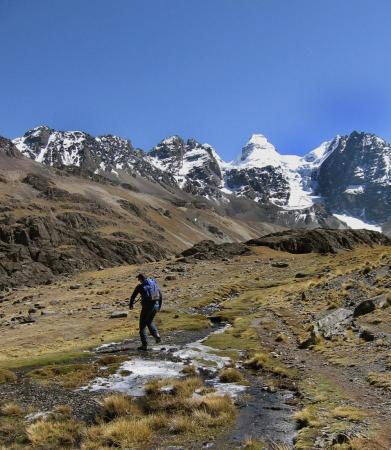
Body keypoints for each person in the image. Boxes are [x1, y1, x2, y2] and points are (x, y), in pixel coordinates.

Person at [129, 273, 162, 351]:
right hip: (156, 306)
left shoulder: (140, 287)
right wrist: (159, 306)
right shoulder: (154, 283)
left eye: (139, 279)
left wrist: (131, 304)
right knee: (149, 322)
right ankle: (156, 335)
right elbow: (160, 295)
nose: (138, 280)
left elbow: (133, 296)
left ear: (141, 279)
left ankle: (144, 345)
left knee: (142, 326)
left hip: (147, 308)